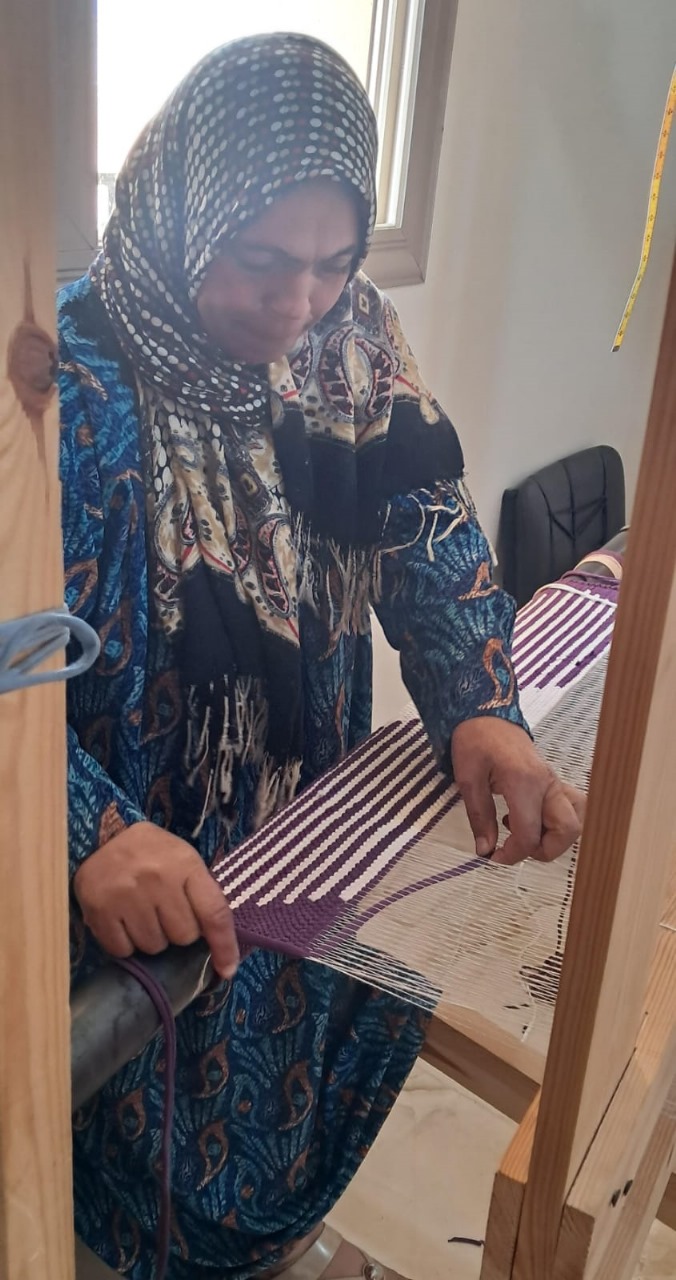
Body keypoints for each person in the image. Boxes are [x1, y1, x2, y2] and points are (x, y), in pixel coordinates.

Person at [60, 32, 584, 1280]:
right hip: (132, 864)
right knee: (130, 1131)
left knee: (284, 1093)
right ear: (184, 213)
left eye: (331, 263)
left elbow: (426, 526)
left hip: (296, 820)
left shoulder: (351, 341)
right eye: (259, 260)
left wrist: (481, 703)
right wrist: (85, 826)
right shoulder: (64, 386)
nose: (297, 303)